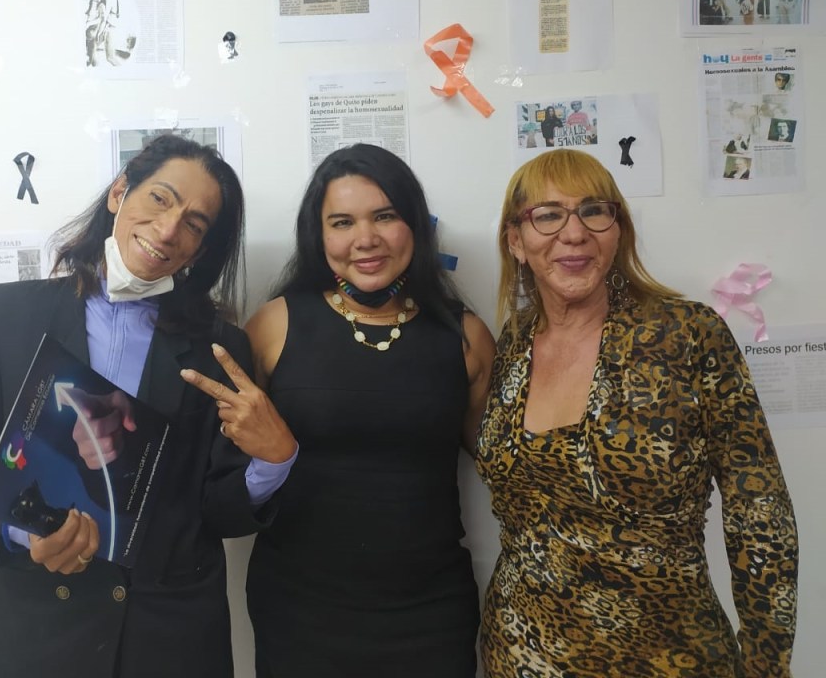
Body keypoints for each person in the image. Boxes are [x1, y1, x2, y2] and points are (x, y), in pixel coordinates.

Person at [0, 134, 292, 678]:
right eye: (160, 199)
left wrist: (273, 462)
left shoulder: (220, 348)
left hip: (172, 633)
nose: (168, 230)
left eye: (194, 224)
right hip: (44, 627)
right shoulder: (9, 315)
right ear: (120, 192)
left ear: (200, 249)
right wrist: (24, 531)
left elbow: (218, 511)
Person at [475, 148, 798, 677]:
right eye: (548, 215)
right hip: (520, 651)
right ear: (516, 240)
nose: (575, 233)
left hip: (670, 657)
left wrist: (767, 664)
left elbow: (759, 511)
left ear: (617, 230)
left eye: (594, 211)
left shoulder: (688, 334)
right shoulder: (513, 341)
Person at [183, 144, 496, 677]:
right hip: (300, 609)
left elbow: (505, 470)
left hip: (431, 611)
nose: (365, 239)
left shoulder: (464, 335)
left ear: (414, 223)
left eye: (385, 216)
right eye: (342, 222)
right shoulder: (274, 325)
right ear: (319, 234)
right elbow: (218, 472)